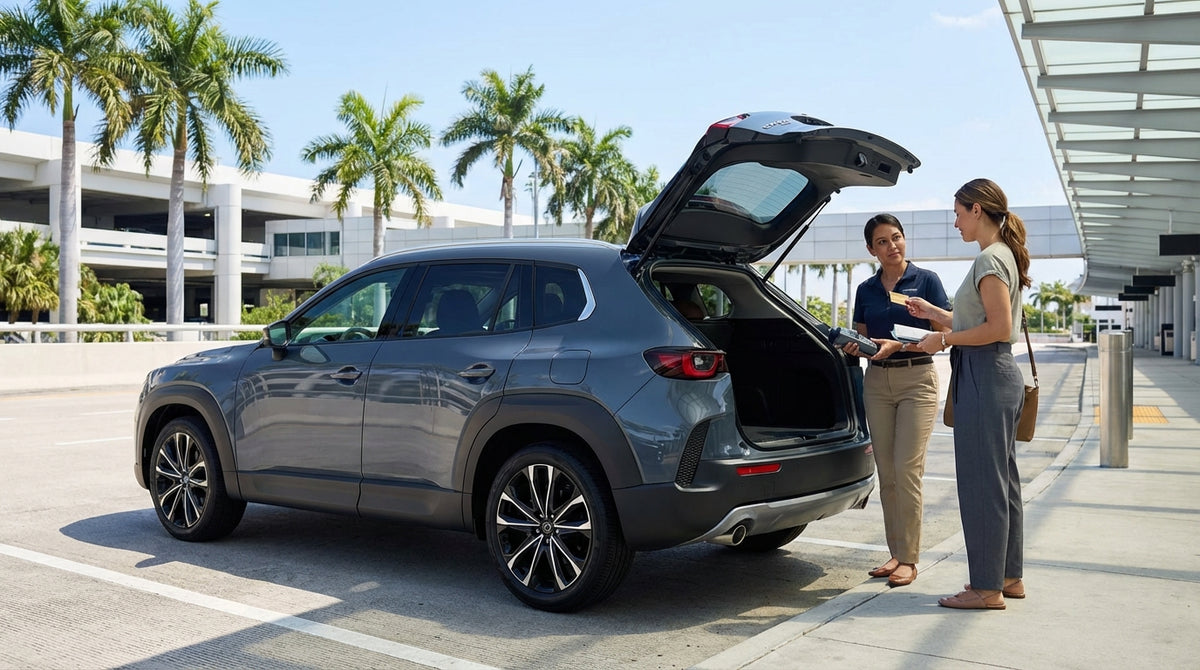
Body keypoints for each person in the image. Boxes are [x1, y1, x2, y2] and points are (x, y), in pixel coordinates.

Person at [907, 178, 1032, 611]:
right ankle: (1008, 577)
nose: (955, 220)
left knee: (982, 485)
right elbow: (981, 320)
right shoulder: (1000, 256)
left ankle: (985, 587)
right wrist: (936, 315)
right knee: (1001, 483)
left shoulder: (990, 259)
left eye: (959, 211)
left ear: (977, 210)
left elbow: (997, 328)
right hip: (994, 374)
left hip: (986, 375)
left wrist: (943, 341)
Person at [841, 213, 949, 588]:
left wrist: (899, 345)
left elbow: (946, 329)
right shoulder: (866, 290)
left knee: (907, 469)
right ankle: (896, 552)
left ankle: (911, 558)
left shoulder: (926, 281)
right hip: (878, 381)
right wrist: (857, 346)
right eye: (883, 241)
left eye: (897, 237)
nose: (892, 246)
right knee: (886, 473)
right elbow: (863, 336)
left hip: (917, 379)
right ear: (871, 249)